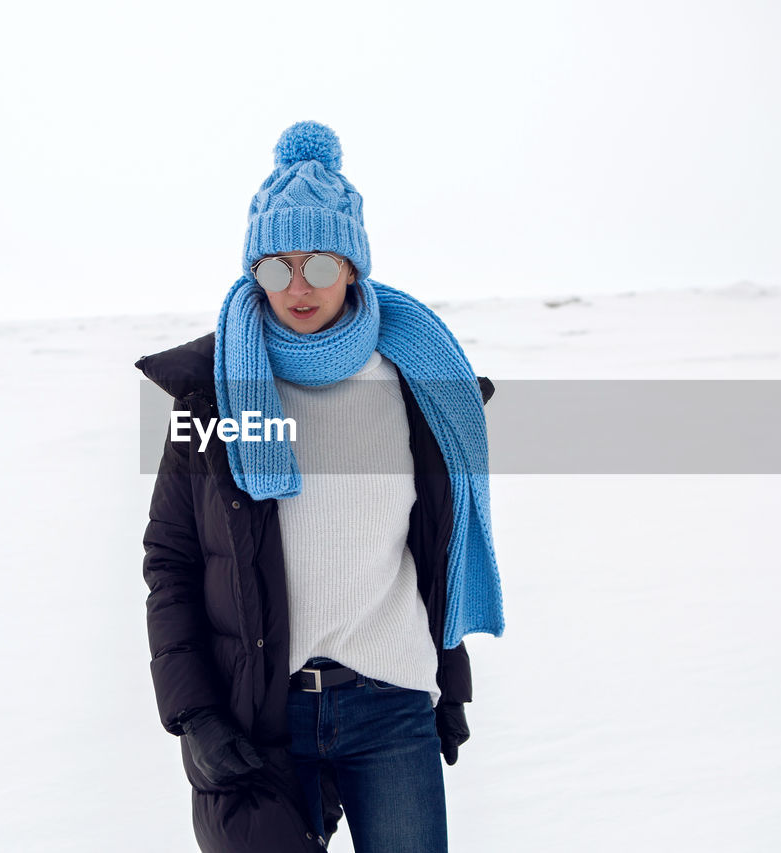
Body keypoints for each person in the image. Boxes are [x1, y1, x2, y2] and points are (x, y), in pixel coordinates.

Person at [135, 120, 504, 852]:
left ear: (354, 266)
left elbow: (441, 546)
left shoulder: (421, 389)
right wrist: (195, 715)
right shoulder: (212, 395)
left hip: (391, 706)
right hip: (264, 718)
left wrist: (449, 677)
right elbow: (170, 562)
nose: (295, 288)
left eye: (319, 265)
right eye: (274, 268)